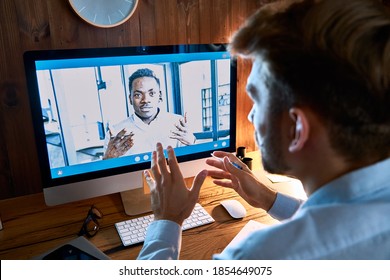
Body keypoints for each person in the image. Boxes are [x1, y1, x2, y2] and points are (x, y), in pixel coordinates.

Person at [137, 0, 390, 259]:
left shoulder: (258, 256)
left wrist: (167, 219)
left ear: (297, 129)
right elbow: (340, 221)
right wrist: (268, 199)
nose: (250, 114)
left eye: (257, 100)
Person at [103, 68, 195, 159]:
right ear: (130, 99)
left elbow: (191, 162)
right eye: (138, 95)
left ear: (160, 96)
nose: (145, 100)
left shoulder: (178, 124)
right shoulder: (115, 133)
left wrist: (192, 143)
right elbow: (105, 172)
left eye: (151, 93)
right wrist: (108, 159)